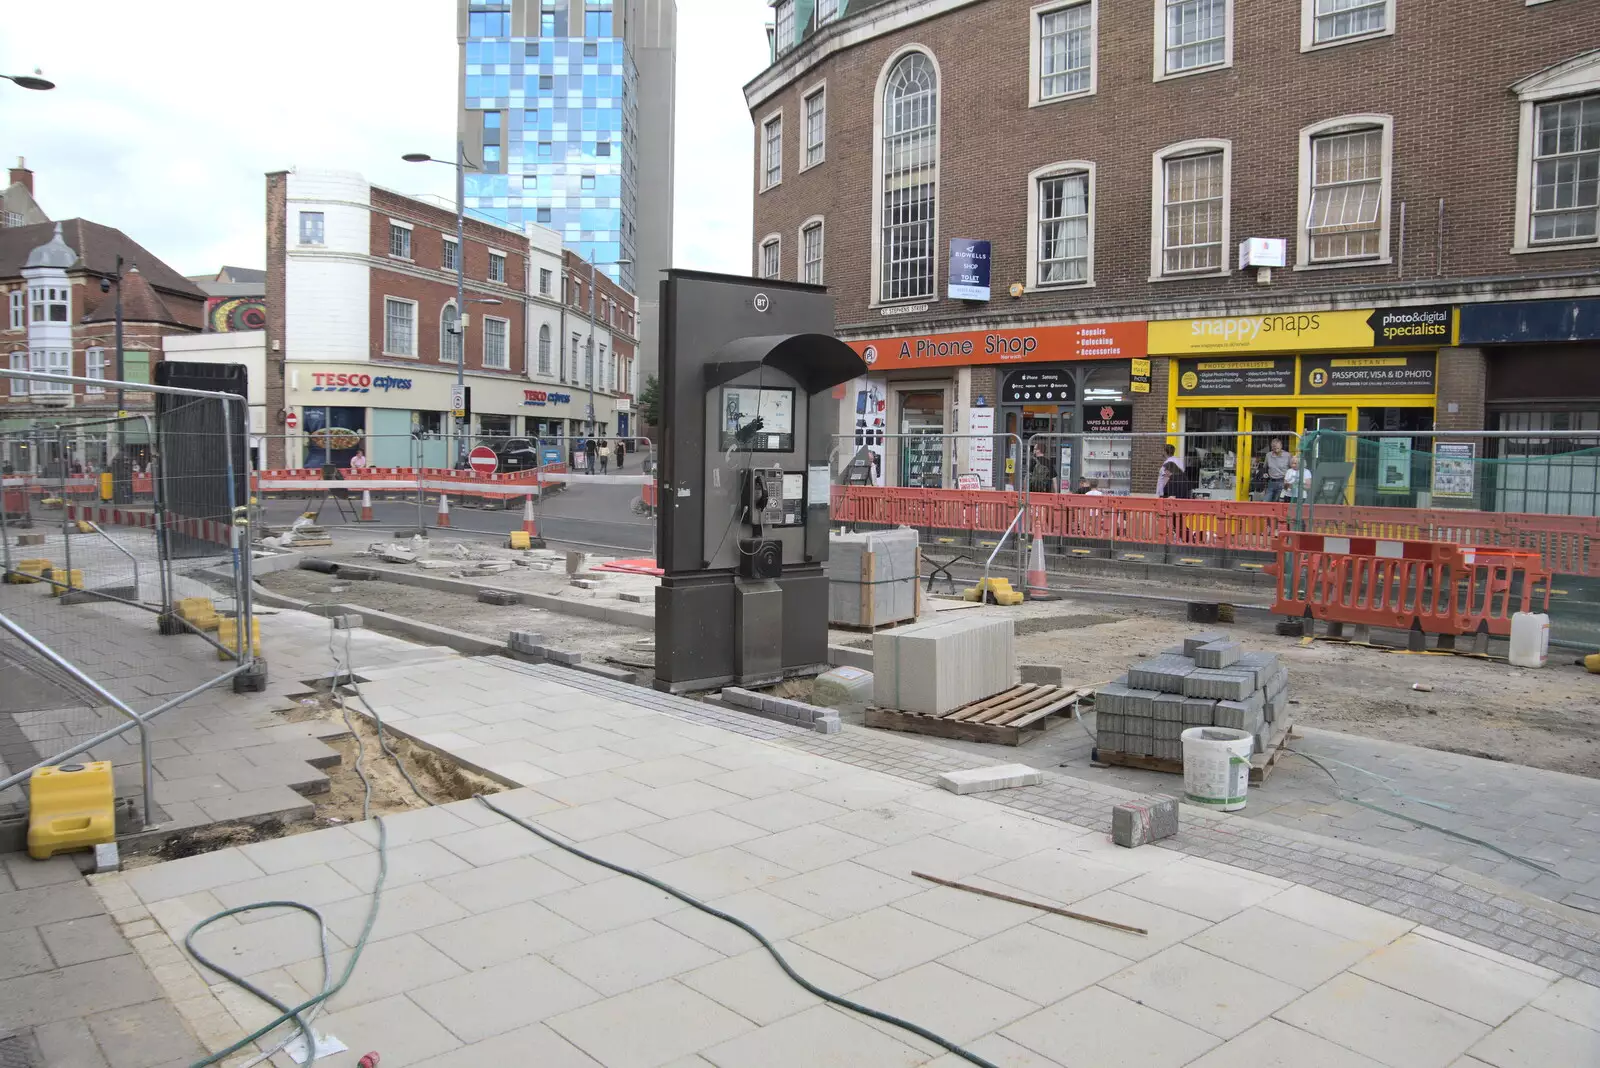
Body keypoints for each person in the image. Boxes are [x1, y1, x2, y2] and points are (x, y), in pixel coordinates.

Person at [1263, 438, 1289, 502]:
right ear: (1271, 447)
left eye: (1277, 446)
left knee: (1277, 502)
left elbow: (1292, 468)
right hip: (1271, 482)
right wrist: (1265, 474)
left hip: (1282, 481)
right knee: (1265, 501)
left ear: (1281, 446)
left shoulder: (1287, 455)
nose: (1275, 448)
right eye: (1273, 446)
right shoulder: (1268, 455)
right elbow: (1264, 467)